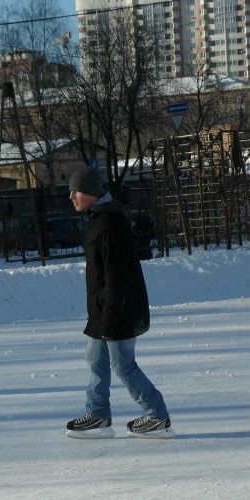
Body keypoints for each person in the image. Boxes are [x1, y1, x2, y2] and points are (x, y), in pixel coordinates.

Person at [65, 166, 173, 439]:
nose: (71, 196)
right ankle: (98, 415)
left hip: (119, 311)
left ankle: (157, 416)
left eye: (75, 191)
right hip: (105, 311)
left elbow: (117, 277)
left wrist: (110, 320)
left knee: (123, 365)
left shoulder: (110, 223)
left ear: (89, 193)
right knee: (96, 360)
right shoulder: (99, 219)